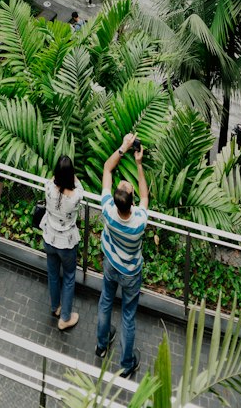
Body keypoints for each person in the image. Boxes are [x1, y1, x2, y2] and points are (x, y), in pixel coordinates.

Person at [95, 132, 149, 379]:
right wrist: (138, 164)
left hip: (110, 265)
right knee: (128, 315)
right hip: (131, 272)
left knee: (106, 300)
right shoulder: (139, 221)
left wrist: (123, 147)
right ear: (132, 200)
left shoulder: (107, 210)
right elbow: (146, 196)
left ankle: (102, 344)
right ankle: (126, 364)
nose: (122, 182)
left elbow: (107, 168)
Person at [40, 154, 84, 332]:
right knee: (68, 277)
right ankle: (65, 318)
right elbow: (78, 185)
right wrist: (71, 175)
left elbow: (53, 180)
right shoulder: (75, 197)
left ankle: (55, 307)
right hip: (66, 243)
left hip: (49, 238)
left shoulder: (49, 188)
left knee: (52, 274)